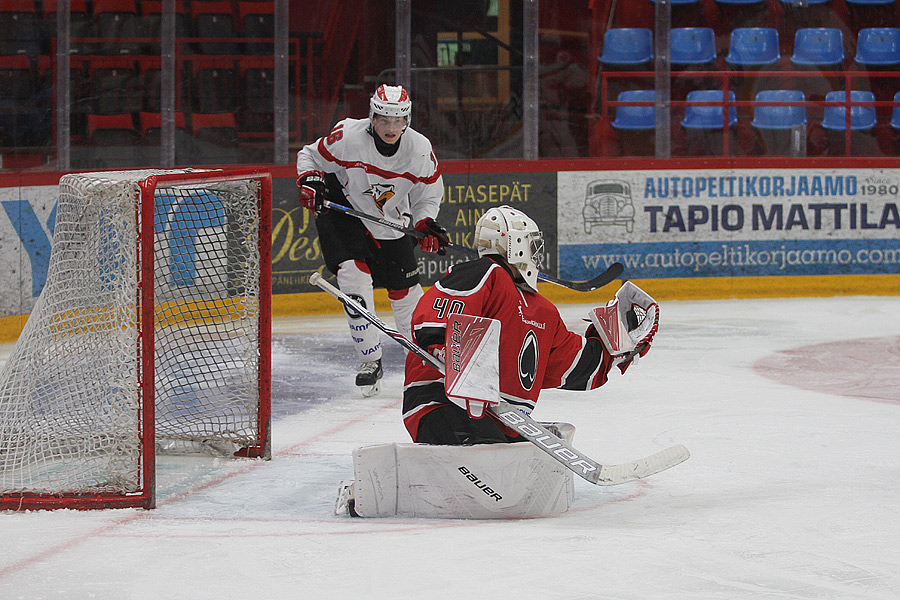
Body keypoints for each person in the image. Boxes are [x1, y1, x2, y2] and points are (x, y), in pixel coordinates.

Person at [402, 205, 659, 445]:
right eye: (531, 243)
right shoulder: (486, 274)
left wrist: (617, 344)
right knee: (493, 458)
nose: (536, 252)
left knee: (515, 463)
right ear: (515, 245)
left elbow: (576, 367)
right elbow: (435, 318)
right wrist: (442, 347)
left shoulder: (542, 311)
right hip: (442, 404)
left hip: (501, 420)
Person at [297, 84, 449, 396]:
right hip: (343, 209)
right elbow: (309, 155)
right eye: (384, 120)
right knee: (353, 274)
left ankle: (421, 359)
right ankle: (370, 359)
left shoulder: (420, 150)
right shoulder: (348, 137)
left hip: (389, 221)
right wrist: (310, 179)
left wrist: (424, 222)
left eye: (397, 121)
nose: (390, 128)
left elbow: (429, 195)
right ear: (372, 117)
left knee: (405, 294)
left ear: (406, 120)